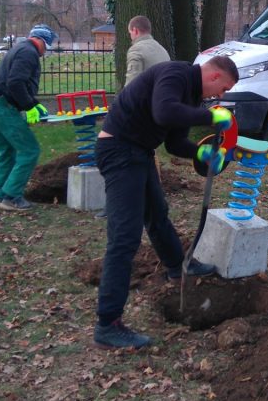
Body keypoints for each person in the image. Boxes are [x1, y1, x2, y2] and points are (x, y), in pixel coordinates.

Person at [93, 56, 239, 349]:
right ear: (212, 76)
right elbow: (164, 113)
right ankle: (108, 324)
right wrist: (211, 117)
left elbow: (173, 142)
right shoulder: (176, 73)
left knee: (157, 216)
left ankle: (177, 266)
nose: (219, 97)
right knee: (124, 238)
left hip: (138, 152)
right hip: (119, 150)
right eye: (222, 89)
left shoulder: (191, 96)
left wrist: (200, 153)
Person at [0, 24, 58, 213]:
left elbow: (16, 81)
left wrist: (33, 103)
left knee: (7, 151)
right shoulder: (29, 53)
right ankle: (11, 196)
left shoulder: (21, 48)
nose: (46, 50)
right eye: (48, 44)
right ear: (42, 41)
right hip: (4, 107)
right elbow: (16, 82)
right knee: (29, 150)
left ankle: (1, 194)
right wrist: (29, 106)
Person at [124, 15, 171, 85]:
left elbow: (132, 83)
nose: (130, 36)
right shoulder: (162, 49)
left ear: (135, 30)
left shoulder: (136, 50)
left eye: (130, 33)